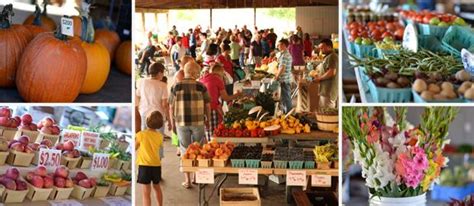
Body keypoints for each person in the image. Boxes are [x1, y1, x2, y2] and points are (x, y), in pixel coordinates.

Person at [169, 62, 210, 189]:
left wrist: (172, 123)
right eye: (198, 72)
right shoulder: (201, 86)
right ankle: (198, 178)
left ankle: (187, 180)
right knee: (199, 150)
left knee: (185, 150)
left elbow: (171, 106)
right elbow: (207, 104)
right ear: (194, 73)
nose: (199, 74)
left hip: (181, 122)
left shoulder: (176, 86)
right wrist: (207, 118)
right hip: (198, 122)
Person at [200, 64, 242, 139]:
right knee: (214, 133)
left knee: (207, 132)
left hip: (202, 109)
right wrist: (237, 94)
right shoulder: (217, 80)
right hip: (211, 109)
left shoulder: (203, 78)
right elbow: (226, 98)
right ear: (220, 72)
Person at [136, 111, 164, 206]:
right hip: (156, 165)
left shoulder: (141, 135)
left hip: (144, 166)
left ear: (147, 121)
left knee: (146, 192)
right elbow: (159, 146)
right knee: (157, 187)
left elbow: (135, 147)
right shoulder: (160, 136)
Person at [136, 63, 170, 132]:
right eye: (163, 72)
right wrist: (169, 120)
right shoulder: (163, 85)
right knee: (158, 139)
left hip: (144, 114)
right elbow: (164, 105)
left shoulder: (141, 82)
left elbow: (137, 97)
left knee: (145, 139)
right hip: (158, 117)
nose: (163, 75)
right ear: (160, 73)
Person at [312, 39, 338, 108]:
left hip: (328, 90)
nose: (321, 50)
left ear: (329, 47)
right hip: (325, 89)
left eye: (322, 48)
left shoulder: (332, 56)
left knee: (327, 113)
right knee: (323, 111)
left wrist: (319, 78)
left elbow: (332, 72)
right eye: (320, 48)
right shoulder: (328, 57)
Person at [274, 39, 293, 113]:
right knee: (285, 97)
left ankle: (289, 114)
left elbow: (282, 68)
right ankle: (287, 112)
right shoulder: (285, 54)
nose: (278, 46)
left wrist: (277, 76)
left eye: (279, 45)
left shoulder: (285, 55)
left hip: (284, 79)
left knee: (286, 98)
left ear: (283, 45)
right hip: (286, 78)